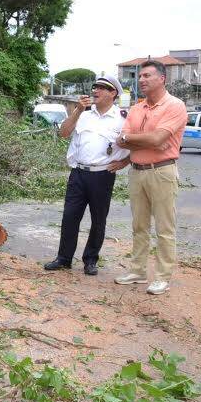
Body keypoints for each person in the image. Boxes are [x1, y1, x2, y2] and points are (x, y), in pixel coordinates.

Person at [113, 60, 187, 295]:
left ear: (162, 78)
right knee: (139, 225)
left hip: (162, 171)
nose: (141, 80)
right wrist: (136, 138)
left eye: (146, 76)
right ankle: (137, 271)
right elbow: (120, 138)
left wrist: (132, 138)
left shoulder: (174, 106)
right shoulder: (136, 109)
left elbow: (158, 141)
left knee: (165, 227)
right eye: (140, 76)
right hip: (137, 171)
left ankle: (163, 276)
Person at [43, 76, 129, 276]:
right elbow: (63, 133)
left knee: (98, 220)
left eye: (101, 88)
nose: (95, 91)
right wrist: (77, 110)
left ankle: (90, 260)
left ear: (113, 93)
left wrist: (124, 162)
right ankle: (64, 258)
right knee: (70, 217)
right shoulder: (84, 114)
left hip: (102, 175)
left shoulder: (122, 118)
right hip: (78, 174)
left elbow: (134, 143)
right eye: (95, 87)